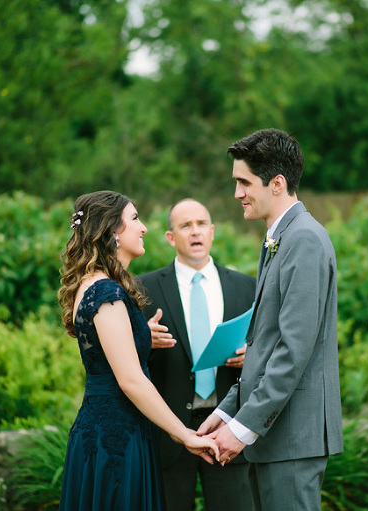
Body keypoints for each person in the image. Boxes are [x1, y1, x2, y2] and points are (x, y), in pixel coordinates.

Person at [198, 129, 344, 511]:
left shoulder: (305, 240)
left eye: (244, 182)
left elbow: (292, 352)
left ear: (277, 184)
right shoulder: (278, 239)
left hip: (292, 439)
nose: (237, 193)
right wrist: (226, 411)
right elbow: (263, 345)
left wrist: (242, 429)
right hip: (275, 437)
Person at [57, 190, 219, 511]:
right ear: (112, 231)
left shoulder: (94, 285)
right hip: (115, 439)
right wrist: (182, 434)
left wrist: (144, 335)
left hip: (113, 429)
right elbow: (130, 380)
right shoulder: (105, 290)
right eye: (134, 219)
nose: (144, 228)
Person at [138, 199, 255, 511]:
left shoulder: (247, 287)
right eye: (185, 226)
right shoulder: (142, 289)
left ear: (213, 232)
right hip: (169, 434)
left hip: (230, 429)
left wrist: (252, 357)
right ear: (170, 237)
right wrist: (142, 341)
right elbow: (127, 365)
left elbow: (269, 350)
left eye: (201, 224)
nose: (195, 232)